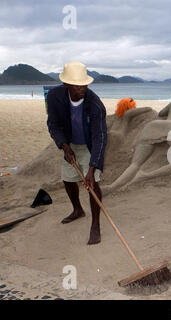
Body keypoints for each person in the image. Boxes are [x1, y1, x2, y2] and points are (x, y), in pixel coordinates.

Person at [102, 85, 171, 194]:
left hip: (154, 126)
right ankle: (146, 175)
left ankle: (113, 186)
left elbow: (161, 113)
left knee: (135, 164)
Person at [46, 61, 107, 245]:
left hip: (89, 145)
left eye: (84, 85)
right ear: (66, 85)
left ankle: (96, 225)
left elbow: (100, 137)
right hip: (70, 142)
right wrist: (64, 146)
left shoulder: (95, 104)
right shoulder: (55, 97)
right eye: (77, 86)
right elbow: (53, 124)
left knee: (93, 184)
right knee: (68, 178)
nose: (83, 89)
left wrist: (91, 168)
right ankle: (78, 210)